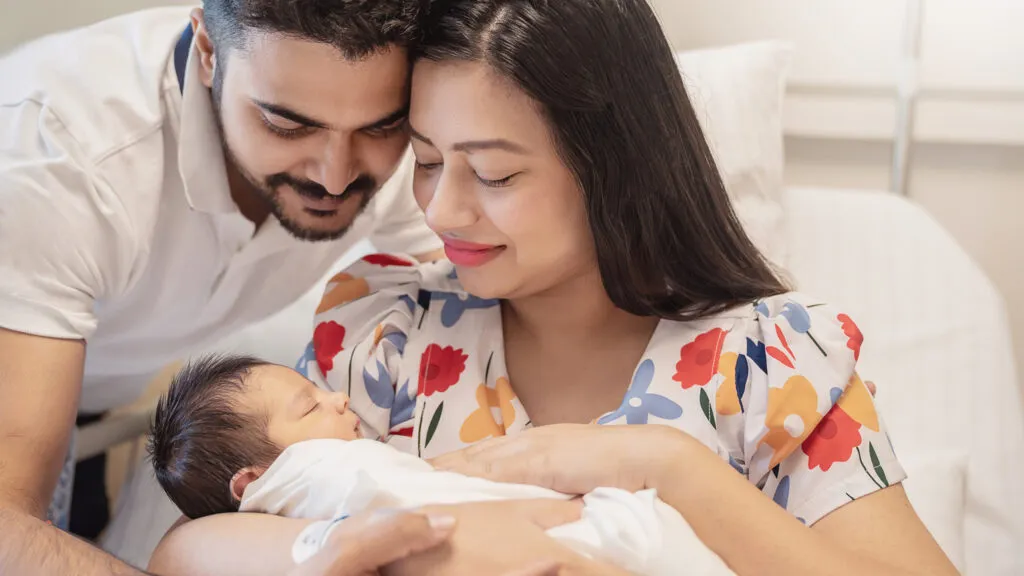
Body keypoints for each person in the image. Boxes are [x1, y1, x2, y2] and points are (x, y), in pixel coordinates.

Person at [150, 0, 964, 574]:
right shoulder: (383, 334)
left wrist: (668, 468)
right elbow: (188, 551)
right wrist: (331, 554)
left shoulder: (769, 363)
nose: (443, 206)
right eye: (428, 161)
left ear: (610, 168)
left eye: (495, 173)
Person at [0, 0, 452, 573]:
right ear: (208, 54)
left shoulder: (410, 135)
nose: (334, 176)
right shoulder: (61, 162)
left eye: (380, 127)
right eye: (287, 124)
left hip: (100, 394)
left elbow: (495, 299)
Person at [146, 354, 731, 576]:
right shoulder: (313, 475)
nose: (340, 398)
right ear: (253, 482)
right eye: (310, 404)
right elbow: (180, 552)